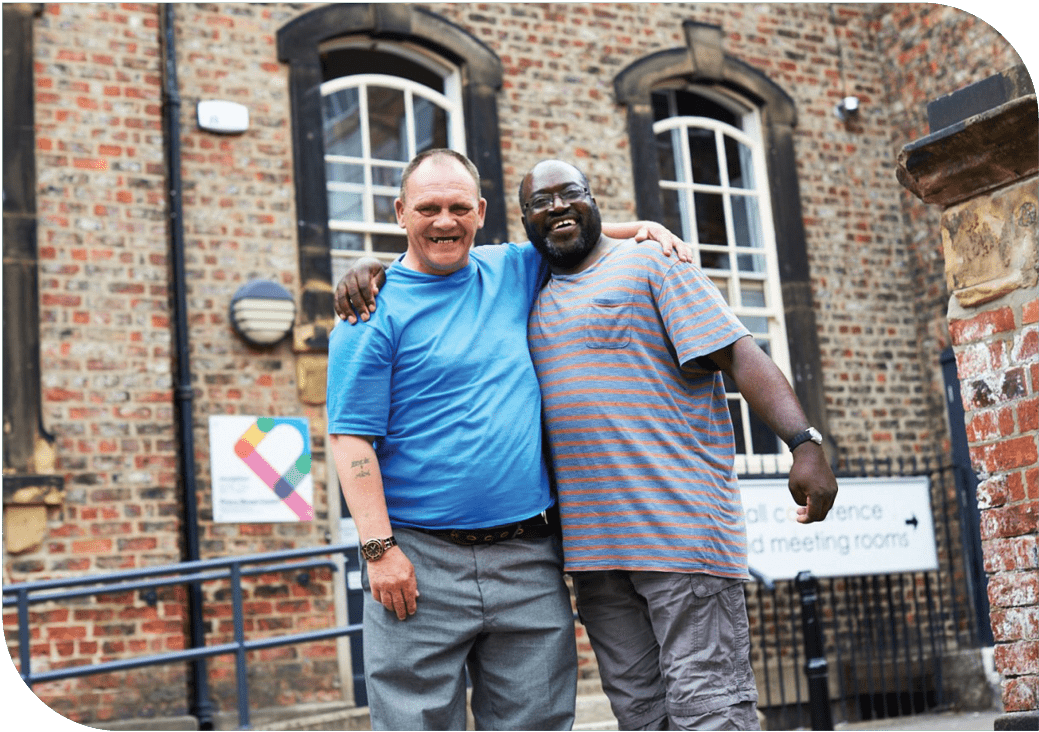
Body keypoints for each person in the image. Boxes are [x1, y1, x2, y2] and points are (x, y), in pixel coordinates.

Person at [326, 148, 689, 732]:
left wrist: (644, 229)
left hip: (528, 559)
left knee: (538, 723)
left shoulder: (511, 269)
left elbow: (567, 233)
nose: (444, 221)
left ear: (481, 211)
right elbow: (351, 441)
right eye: (427, 208)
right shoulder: (370, 310)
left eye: (458, 207)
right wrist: (379, 551)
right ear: (399, 212)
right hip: (419, 561)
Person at [517, 160, 838, 731]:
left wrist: (804, 442)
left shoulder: (651, 263)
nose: (558, 208)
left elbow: (739, 353)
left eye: (571, 194)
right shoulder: (527, 286)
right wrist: (376, 271)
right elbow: (449, 257)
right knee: (642, 719)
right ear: (524, 221)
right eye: (541, 202)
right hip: (594, 557)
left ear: (595, 200)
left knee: (710, 714)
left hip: (681, 539)